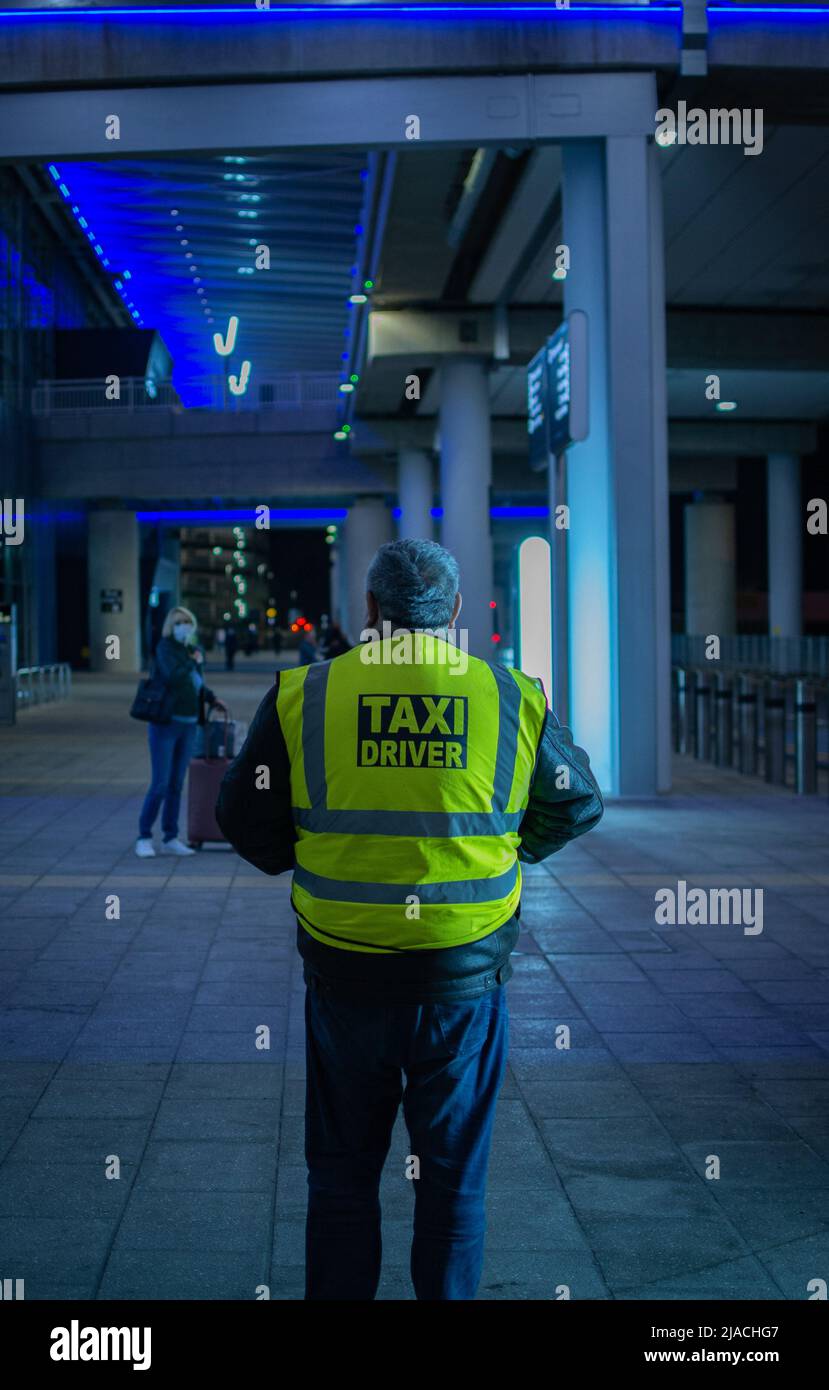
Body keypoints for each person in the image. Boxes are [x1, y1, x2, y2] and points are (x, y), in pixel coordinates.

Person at [215, 539, 603, 1301]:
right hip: (462, 978)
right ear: (455, 612)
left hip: (344, 974)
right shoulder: (510, 693)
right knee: (453, 1182)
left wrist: (313, 855)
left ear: (370, 611)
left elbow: (238, 812)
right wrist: (510, 849)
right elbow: (577, 802)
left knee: (340, 1180)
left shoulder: (307, 692)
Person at [135, 605, 226, 858]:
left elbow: (197, 683)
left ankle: (170, 836)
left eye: (187, 622)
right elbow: (173, 676)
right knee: (160, 783)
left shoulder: (191, 650)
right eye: (179, 622)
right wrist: (191, 661)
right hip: (166, 723)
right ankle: (143, 836)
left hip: (188, 724)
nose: (184, 626)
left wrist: (211, 698)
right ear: (170, 625)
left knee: (176, 784)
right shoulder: (165, 647)